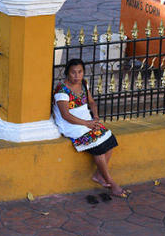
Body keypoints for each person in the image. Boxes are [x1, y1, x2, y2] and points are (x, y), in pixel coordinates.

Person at [52, 59, 127, 198]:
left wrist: (96, 118)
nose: (76, 75)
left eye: (80, 72)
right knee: (98, 147)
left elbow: (91, 102)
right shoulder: (61, 90)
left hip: (87, 122)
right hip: (72, 126)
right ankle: (111, 183)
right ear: (67, 73)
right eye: (73, 72)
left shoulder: (84, 84)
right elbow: (66, 115)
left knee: (110, 140)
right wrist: (86, 124)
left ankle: (99, 175)